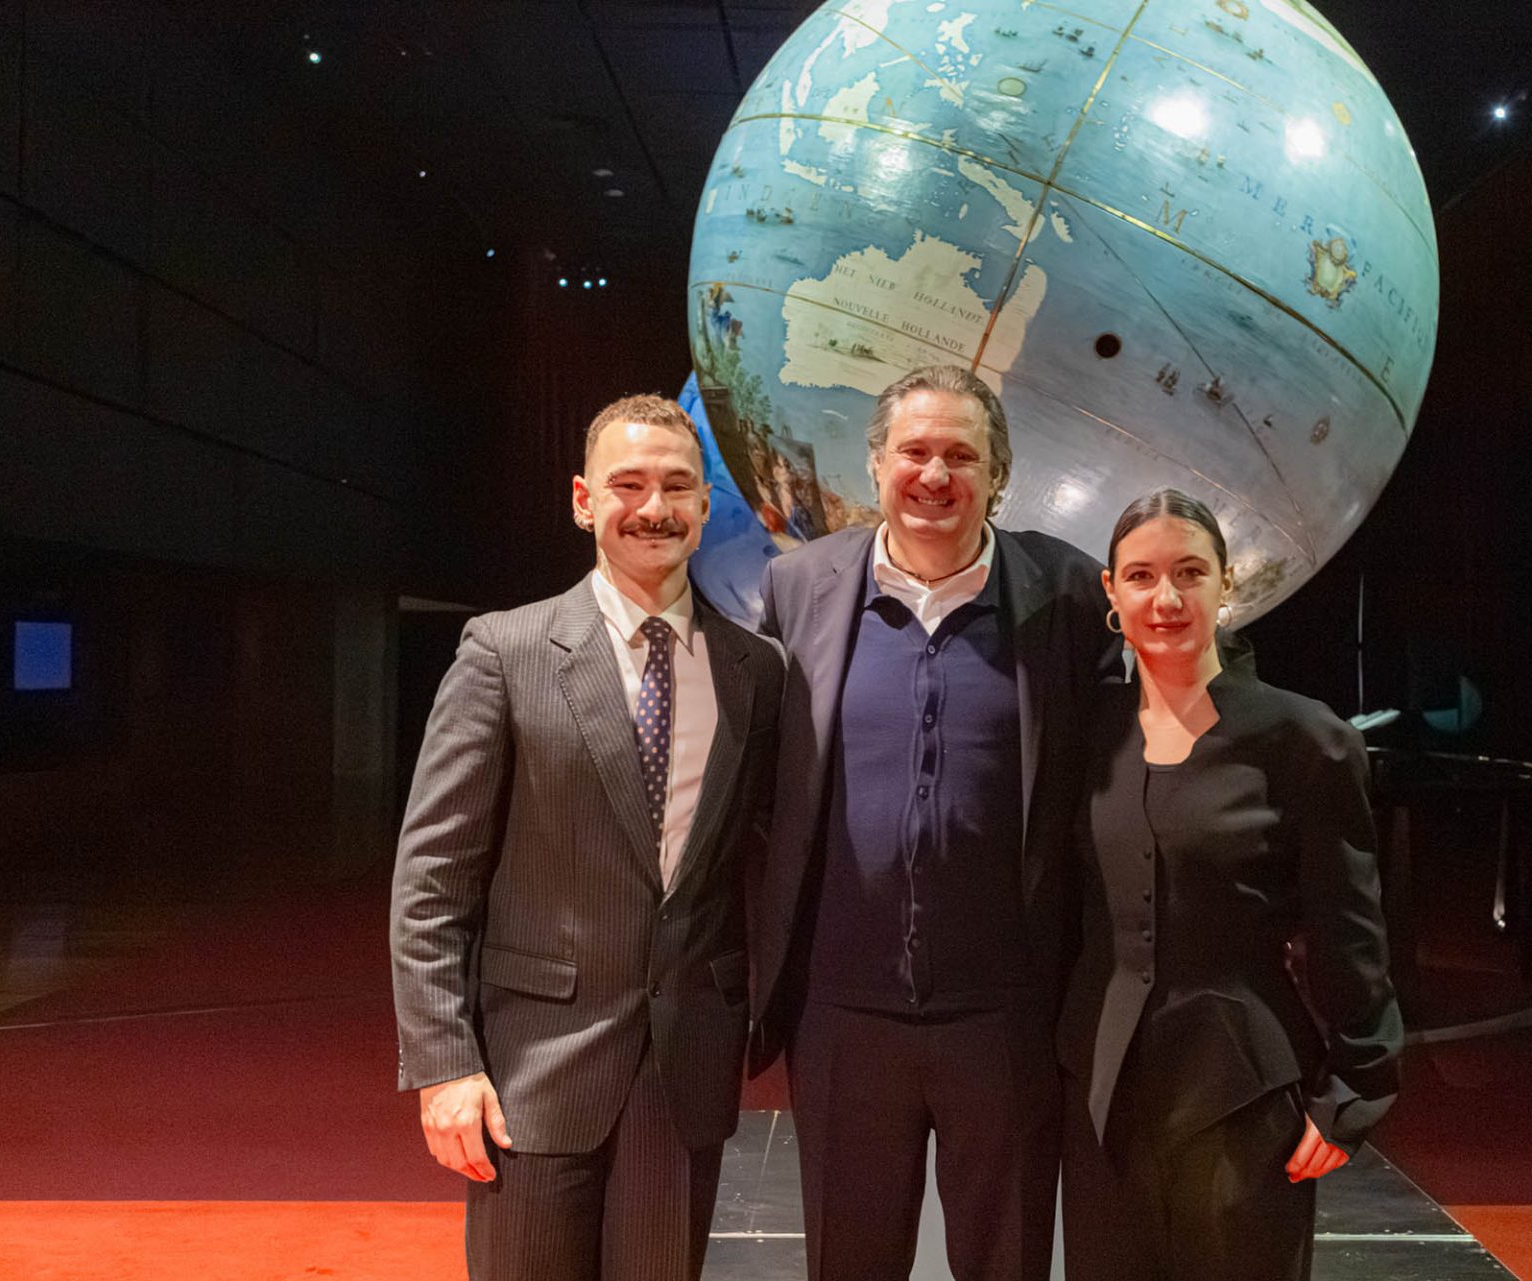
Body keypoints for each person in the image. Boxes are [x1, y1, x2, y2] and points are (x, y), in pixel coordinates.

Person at [389, 394, 783, 1280]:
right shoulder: (504, 651)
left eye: (676, 485)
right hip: (529, 1070)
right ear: (583, 499)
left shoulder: (756, 670)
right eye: (628, 484)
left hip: (683, 1074)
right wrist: (444, 1063)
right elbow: (432, 879)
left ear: (705, 504)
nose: (654, 507)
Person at [751, 364, 1119, 1281]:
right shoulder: (797, 588)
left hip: (1008, 1019)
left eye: (962, 455)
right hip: (842, 1016)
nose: (935, 474)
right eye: (914, 451)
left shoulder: (1069, 595)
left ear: (999, 474)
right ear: (877, 464)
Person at [1057, 488, 1404, 1281]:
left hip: (1241, 1094)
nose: (1167, 598)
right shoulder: (1087, 730)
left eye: (1190, 572)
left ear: (1227, 584)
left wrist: (1355, 1087)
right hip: (1102, 1095)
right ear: (1111, 592)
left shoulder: (1306, 737)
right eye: (1141, 576)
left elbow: (1349, 927)